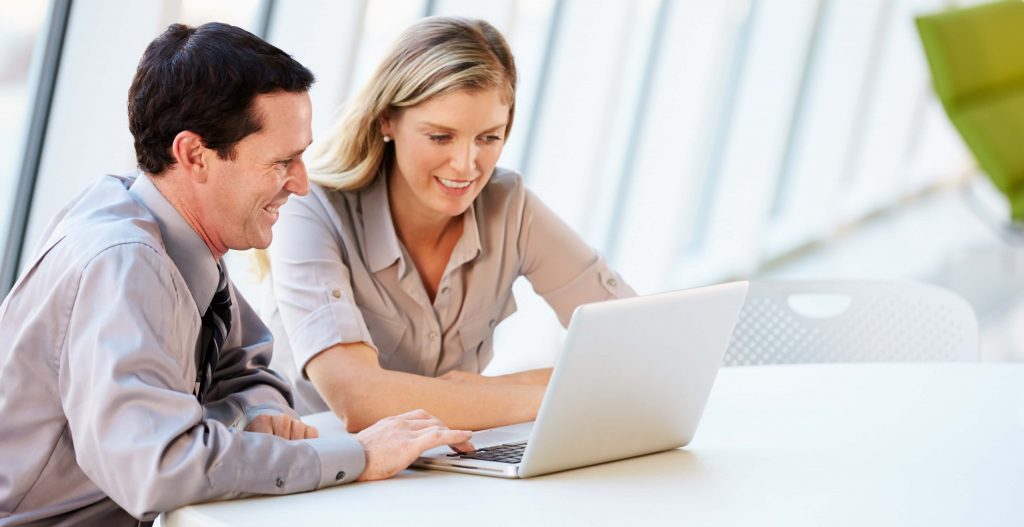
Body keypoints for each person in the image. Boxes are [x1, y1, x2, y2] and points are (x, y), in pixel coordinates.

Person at [0, 22, 471, 527]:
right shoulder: (124, 264)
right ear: (194, 156)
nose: (302, 184)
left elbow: (247, 368)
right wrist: (358, 457)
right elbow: (160, 467)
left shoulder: (171, 231)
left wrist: (257, 412)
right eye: (282, 161)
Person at [265, 16, 636, 432]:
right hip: (318, 470)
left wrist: (491, 392)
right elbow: (358, 398)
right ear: (387, 118)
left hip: (445, 467)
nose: (466, 165)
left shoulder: (509, 206)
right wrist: (547, 395)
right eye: (441, 137)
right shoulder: (311, 208)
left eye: (489, 138)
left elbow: (634, 343)